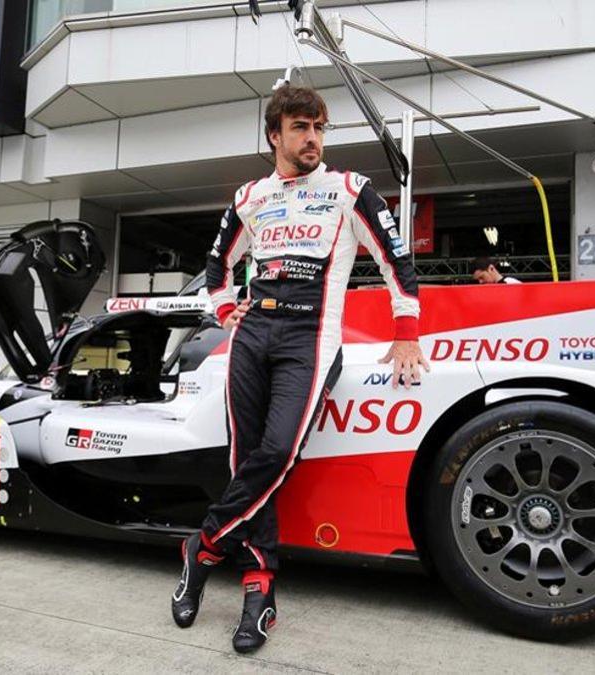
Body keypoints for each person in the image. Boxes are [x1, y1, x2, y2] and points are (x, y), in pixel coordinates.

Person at [172, 85, 428, 653]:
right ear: (275, 136)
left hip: (311, 336)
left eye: (319, 128)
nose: (312, 138)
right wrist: (222, 307)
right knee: (244, 459)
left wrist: (406, 332)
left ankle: (203, 546)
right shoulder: (250, 196)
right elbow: (217, 266)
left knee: (279, 452)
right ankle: (258, 586)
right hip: (251, 335)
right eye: (300, 128)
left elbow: (397, 260)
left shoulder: (350, 189)